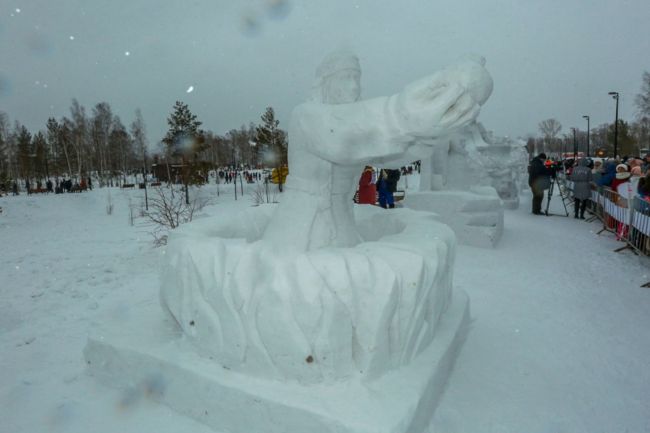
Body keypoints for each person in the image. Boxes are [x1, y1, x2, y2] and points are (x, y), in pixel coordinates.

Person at [260, 50, 491, 251]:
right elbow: (343, 138)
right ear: (326, 81)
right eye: (345, 77)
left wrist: (431, 133)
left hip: (343, 227)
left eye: (357, 78)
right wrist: (405, 114)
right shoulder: (306, 116)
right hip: (302, 230)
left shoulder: (355, 123)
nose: (353, 85)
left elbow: (389, 155)